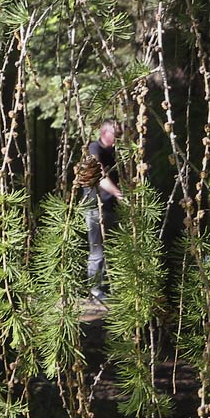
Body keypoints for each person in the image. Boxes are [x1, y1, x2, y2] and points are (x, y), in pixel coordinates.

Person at [83, 119, 124, 304]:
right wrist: (119, 193)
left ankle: (107, 288)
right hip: (95, 208)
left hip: (111, 208)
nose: (119, 138)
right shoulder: (94, 148)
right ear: (104, 132)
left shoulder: (116, 152)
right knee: (97, 250)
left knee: (110, 248)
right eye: (117, 134)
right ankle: (94, 290)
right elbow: (100, 178)